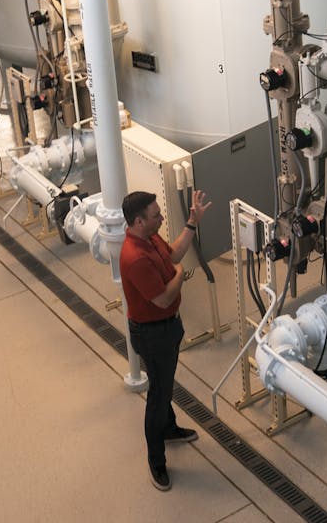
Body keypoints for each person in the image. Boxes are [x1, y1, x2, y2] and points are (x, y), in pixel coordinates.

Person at [119, 188, 211, 492]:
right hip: (153, 332)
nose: (161, 218)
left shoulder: (149, 238)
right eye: (156, 215)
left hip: (166, 328)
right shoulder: (134, 257)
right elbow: (162, 298)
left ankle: (169, 428)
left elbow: (172, 254)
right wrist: (180, 275)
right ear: (138, 221)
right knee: (158, 396)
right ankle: (156, 462)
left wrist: (192, 223)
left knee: (165, 382)